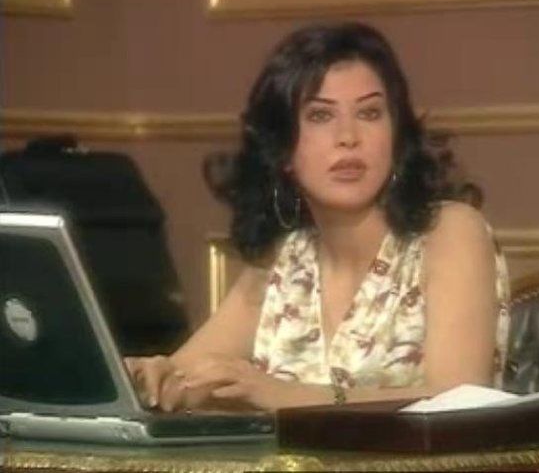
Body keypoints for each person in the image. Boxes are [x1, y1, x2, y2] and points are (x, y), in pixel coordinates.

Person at [125, 22, 504, 412]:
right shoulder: (286, 260)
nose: (348, 137)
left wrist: (286, 396)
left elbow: (456, 401)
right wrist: (153, 378)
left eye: (370, 113)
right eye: (320, 116)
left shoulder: (450, 232)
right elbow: (190, 376)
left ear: (396, 137)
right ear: (283, 151)